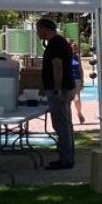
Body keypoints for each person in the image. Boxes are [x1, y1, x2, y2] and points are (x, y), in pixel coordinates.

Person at [35, 19, 77, 169]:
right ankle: (67, 156)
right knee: (64, 124)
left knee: (61, 125)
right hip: (63, 88)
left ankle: (66, 159)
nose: (37, 32)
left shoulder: (56, 44)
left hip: (60, 89)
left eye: (38, 29)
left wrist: (56, 89)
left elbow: (57, 67)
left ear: (45, 29)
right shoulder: (59, 43)